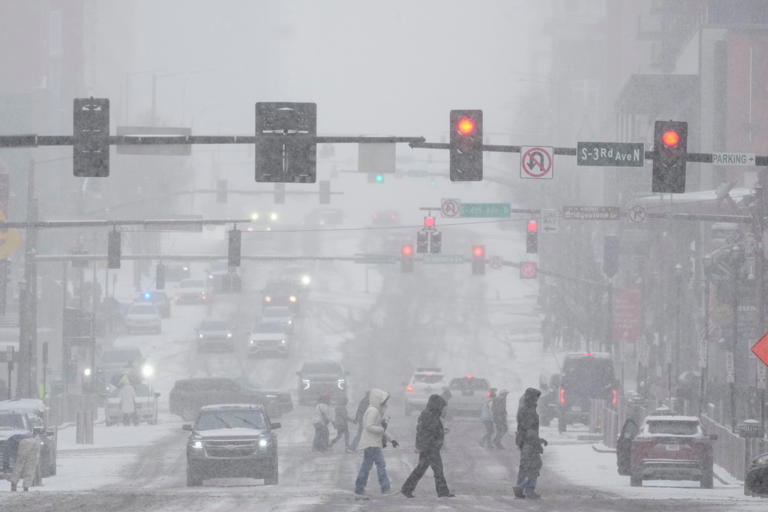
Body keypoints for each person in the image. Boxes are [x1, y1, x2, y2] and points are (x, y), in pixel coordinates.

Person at [400, 394, 455, 498]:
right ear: (437, 405)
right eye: (442, 407)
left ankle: (407, 488)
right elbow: (427, 432)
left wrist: (441, 432)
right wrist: (429, 444)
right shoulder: (431, 416)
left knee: (421, 469)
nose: (443, 410)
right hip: (430, 447)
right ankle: (442, 492)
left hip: (428, 446)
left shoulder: (429, 414)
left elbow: (426, 431)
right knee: (437, 470)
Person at [354, 388, 398, 497]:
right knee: (380, 465)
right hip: (372, 443)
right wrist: (381, 429)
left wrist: (391, 439)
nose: (385, 404)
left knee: (366, 466)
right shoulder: (373, 411)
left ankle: (359, 488)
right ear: (377, 400)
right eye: (383, 401)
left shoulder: (373, 410)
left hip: (370, 443)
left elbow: (379, 428)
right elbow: (369, 426)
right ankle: (385, 488)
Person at [514, 387, 547, 499]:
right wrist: (537, 442)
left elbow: (526, 428)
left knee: (526, 466)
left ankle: (522, 488)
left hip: (525, 440)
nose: (537, 400)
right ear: (531, 398)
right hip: (529, 442)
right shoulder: (528, 410)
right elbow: (529, 429)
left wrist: (538, 439)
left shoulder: (525, 408)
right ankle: (524, 489)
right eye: (536, 397)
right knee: (534, 465)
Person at [9, 426, 43, 492]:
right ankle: (26, 486)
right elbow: (37, 451)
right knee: (30, 468)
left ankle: (14, 484)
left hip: (23, 445)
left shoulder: (21, 434)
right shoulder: (36, 439)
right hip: (32, 447)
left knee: (19, 465)